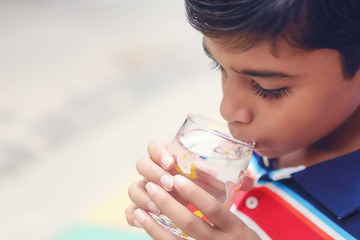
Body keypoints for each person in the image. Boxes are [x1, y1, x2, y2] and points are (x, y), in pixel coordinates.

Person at [126, 0, 360, 239]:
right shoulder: (241, 158)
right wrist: (173, 198)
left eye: (269, 89)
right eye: (219, 67)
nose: (227, 109)